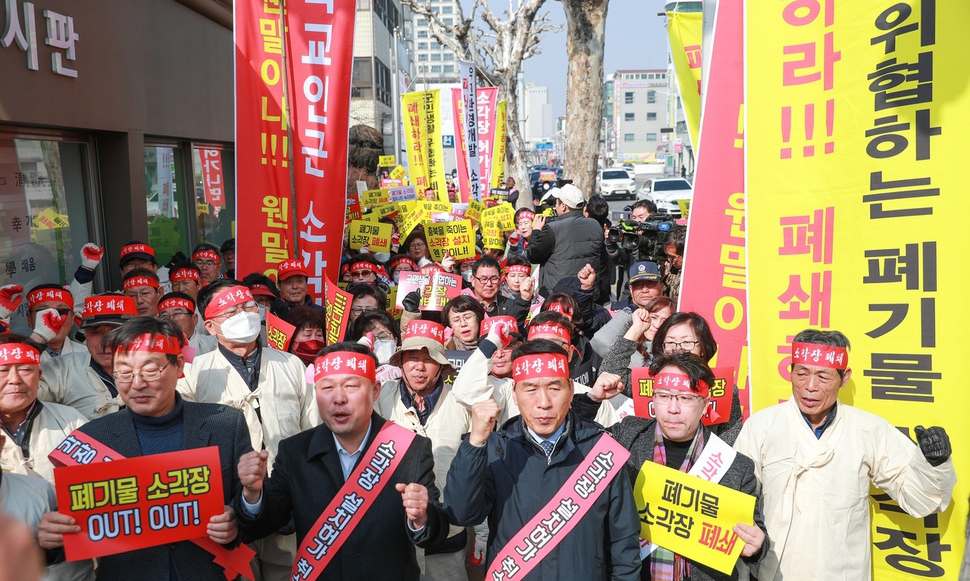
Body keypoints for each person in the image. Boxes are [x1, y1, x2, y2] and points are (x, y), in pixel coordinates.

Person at [37, 317, 253, 581]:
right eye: (124, 372)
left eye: (151, 370)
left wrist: (236, 518)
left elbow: (256, 511)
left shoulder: (225, 423)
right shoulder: (91, 440)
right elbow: (80, 531)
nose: (137, 383)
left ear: (179, 366)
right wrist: (53, 538)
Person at [733, 329, 956, 581]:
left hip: (842, 572)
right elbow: (736, 499)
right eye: (802, 373)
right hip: (774, 570)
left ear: (844, 377)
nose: (810, 387)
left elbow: (919, 500)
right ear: (790, 372)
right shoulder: (761, 426)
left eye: (823, 376)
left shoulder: (869, 430)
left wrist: (934, 464)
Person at [234, 342, 449, 581]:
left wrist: (422, 517)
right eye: (326, 387)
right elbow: (264, 524)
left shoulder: (410, 448)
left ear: (375, 391)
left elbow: (435, 533)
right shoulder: (295, 452)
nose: (338, 398)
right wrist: (252, 495)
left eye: (351, 386)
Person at [444, 339, 641, 579]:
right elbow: (461, 513)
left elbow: (624, 547)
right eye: (530, 389)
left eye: (554, 388)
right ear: (514, 394)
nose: (544, 403)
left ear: (571, 390)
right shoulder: (497, 449)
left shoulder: (602, 450)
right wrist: (474, 444)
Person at [576, 353, 768, 580]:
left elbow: (752, 533)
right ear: (653, 398)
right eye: (664, 396)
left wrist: (757, 546)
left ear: (705, 404)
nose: (673, 409)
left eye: (686, 398)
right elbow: (574, 440)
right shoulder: (627, 436)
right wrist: (592, 399)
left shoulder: (734, 465)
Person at [179, 281, 320, 581]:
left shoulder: (291, 364)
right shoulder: (194, 372)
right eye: (231, 311)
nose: (243, 315)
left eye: (248, 307)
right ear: (211, 326)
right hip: (226, 510)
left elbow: (314, 432)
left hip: (288, 505)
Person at [375, 321, 475, 579]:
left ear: (441, 365)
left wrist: (482, 532)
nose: (419, 367)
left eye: (428, 359)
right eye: (411, 358)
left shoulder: (461, 400)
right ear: (400, 363)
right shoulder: (379, 397)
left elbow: (477, 467)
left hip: (449, 530)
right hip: (392, 530)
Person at [598, 311, 744, 445]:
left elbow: (731, 430)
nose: (678, 348)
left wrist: (706, 461)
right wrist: (636, 329)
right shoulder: (650, 381)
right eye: (671, 342)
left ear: (703, 348)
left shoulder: (722, 385)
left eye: (687, 342)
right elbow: (610, 371)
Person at [38, 294, 137, 419]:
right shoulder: (64, 369)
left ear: (135, 333)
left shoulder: (157, 367)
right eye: (95, 332)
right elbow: (17, 398)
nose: (105, 344)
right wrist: (37, 341)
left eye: (115, 332)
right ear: (86, 334)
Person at [526, 183, 608, 300]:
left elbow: (533, 256)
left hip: (559, 297)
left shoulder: (552, 229)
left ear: (563, 206)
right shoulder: (595, 225)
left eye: (556, 203)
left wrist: (536, 231)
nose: (555, 207)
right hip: (587, 293)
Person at [591, 296, 674, 364]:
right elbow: (599, 342)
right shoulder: (629, 342)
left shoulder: (671, 352)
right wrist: (631, 314)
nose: (657, 325)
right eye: (653, 317)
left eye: (664, 321)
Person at [25, 285, 85, 360]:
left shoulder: (89, 355)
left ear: (72, 318)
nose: (53, 318)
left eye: (61, 311)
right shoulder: (16, 356)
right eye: (43, 311)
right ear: (29, 319)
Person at [157, 291, 217, 356]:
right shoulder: (153, 349)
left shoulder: (214, 344)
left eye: (177, 313)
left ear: (194, 319)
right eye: (164, 316)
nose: (171, 319)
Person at [663, 228, 685, 305]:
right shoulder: (671, 269)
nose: (669, 260)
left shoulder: (689, 277)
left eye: (672, 257)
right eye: (667, 256)